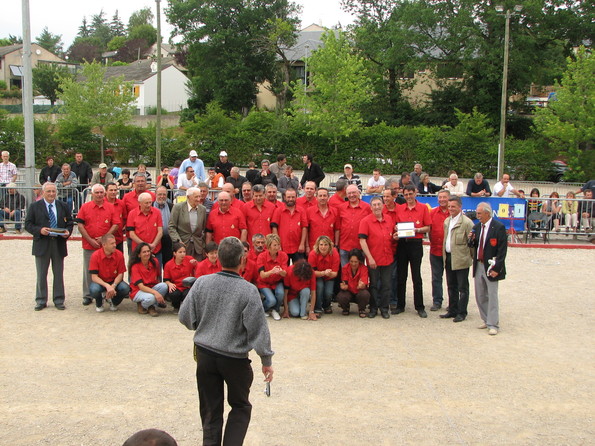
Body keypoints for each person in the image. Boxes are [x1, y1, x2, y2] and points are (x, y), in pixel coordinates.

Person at [178, 236, 274, 446]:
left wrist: (202, 327)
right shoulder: (248, 290)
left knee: (211, 410)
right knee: (240, 406)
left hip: (205, 354)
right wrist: (266, 360)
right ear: (242, 260)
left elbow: (184, 316)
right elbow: (258, 329)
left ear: (219, 258)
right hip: (234, 358)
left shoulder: (202, 283)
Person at [24, 182, 73, 311]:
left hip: (58, 244)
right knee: (41, 274)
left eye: (53, 191)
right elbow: (28, 224)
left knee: (58, 273)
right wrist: (39, 230)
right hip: (42, 243)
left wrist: (67, 232)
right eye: (49, 191)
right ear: (43, 192)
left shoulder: (63, 206)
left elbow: (70, 222)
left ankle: (59, 299)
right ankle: (41, 300)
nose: (51, 194)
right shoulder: (35, 206)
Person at [76, 184, 120, 306]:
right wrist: (90, 240)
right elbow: (80, 225)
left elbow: (116, 224)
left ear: (104, 193)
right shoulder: (85, 207)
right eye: (97, 192)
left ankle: (106, 292)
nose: (99, 195)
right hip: (89, 244)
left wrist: (104, 238)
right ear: (92, 194)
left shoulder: (111, 208)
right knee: (88, 270)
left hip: (106, 245)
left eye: (101, 192)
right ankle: (88, 295)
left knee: (107, 270)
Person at [470, 202, 507, 335]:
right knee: (480, 294)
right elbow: (474, 245)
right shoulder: (477, 227)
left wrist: (497, 267)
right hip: (479, 264)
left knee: (492, 294)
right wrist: (471, 240)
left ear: (487, 213)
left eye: (479, 213)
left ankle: (493, 324)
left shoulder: (498, 227)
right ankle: (485, 319)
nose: (477, 216)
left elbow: (502, 250)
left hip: (491, 265)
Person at [394, 185, 431, 317]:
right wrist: (396, 229)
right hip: (402, 244)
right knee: (401, 276)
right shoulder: (400, 208)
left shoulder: (423, 208)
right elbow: (395, 225)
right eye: (406, 195)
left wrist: (417, 230)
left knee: (416, 276)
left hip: (415, 243)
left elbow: (428, 227)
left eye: (410, 194)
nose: (408, 197)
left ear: (415, 193)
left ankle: (420, 307)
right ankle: (400, 305)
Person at [359, 196, 396, 319]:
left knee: (386, 285)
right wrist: (370, 258)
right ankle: (373, 308)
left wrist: (396, 237)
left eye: (379, 204)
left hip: (388, 258)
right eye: (374, 205)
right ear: (370, 207)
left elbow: (392, 236)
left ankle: (384, 308)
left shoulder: (389, 219)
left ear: (383, 205)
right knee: (373, 285)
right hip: (374, 259)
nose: (376, 207)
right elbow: (362, 241)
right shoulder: (365, 221)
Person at [439, 196, 473, 322]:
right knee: (451, 285)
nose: (450, 209)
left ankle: (462, 312)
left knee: (462, 287)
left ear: (460, 207)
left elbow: (471, 244)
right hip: (448, 257)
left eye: (453, 206)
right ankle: (452, 310)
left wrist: (469, 257)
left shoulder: (467, 223)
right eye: (449, 206)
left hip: (461, 258)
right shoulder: (447, 221)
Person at [89, 234, 130, 312]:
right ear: (104, 245)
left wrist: (113, 286)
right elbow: (94, 277)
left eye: (115, 243)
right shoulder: (95, 256)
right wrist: (107, 286)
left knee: (125, 288)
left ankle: (113, 302)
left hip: (114, 281)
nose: (115, 245)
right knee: (94, 289)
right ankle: (99, 302)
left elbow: (120, 274)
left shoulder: (119, 254)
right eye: (112, 243)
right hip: (100, 282)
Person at [128, 242, 168, 317]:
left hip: (150, 288)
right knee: (151, 298)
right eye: (144, 252)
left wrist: (158, 293)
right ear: (139, 255)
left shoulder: (155, 262)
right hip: (138, 291)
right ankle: (144, 305)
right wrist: (156, 293)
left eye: (148, 251)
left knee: (164, 286)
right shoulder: (135, 267)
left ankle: (152, 305)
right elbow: (141, 287)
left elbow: (158, 278)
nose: (147, 253)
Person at [336, 184, 371, 266]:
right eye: (349, 193)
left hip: (360, 247)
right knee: (345, 273)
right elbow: (338, 227)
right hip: (344, 246)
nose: (352, 195)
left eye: (354, 192)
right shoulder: (341, 208)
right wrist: (337, 244)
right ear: (346, 194)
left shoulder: (367, 207)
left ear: (359, 193)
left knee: (360, 273)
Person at [168, 187, 207, 260]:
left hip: (197, 248)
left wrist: (203, 245)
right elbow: (171, 227)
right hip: (182, 247)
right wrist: (178, 241)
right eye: (196, 197)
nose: (199, 199)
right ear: (188, 197)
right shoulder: (178, 207)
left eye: (199, 196)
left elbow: (203, 229)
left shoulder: (203, 209)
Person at [127, 192, 164, 266]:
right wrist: (144, 246)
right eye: (146, 203)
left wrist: (153, 244)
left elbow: (160, 231)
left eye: (150, 202)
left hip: (155, 250)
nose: (148, 205)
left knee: (157, 275)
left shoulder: (157, 212)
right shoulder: (132, 214)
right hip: (138, 251)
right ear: (139, 203)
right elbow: (131, 234)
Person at [271, 188, 308, 263]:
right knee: (283, 271)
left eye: (293, 197)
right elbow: (274, 228)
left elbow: (304, 228)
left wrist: (302, 244)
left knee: (299, 271)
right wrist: (277, 245)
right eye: (288, 197)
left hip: (297, 246)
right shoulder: (278, 211)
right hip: (283, 246)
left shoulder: (301, 211)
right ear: (284, 197)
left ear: (296, 197)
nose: (290, 199)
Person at [428, 190, 450, 312]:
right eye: (440, 197)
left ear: (449, 198)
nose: (442, 199)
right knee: (436, 277)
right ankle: (437, 301)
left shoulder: (453, 212)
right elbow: (429, 229)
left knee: (451, 278)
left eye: (444, 197)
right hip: (435, 250)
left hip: (449, 251)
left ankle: (452, 302)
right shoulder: (432, 213)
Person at [256, 233, 288, 320]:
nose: (277, 247)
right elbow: (262, 275)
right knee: (271, 300)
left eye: (278, 244)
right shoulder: (261, 256)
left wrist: (280, 271)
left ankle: (275, 310)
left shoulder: (283, 255)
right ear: (269, 246)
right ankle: (263, 309)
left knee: (280, 293)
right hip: (264, 283)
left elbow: (285, 273)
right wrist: (272, 271)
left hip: (277, 282)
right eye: (275, 245)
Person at [308, 235, 340, 315]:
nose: (323, 247)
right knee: (320, 287)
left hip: (330, 276)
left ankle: (327, 305)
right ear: (317, 245)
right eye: (321, 244)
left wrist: (328, 273)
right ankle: (317, 308)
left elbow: (335, 273)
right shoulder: (312, 254)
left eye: (326, 245)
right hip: (317, 276)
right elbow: (312, 273)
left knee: (328, 293)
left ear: (330, 246)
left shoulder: (335, 253)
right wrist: (323, 273)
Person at [164, 242, 197, 313]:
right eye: (180, 252)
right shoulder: (168, 264)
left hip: (187, 286)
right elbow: (166, 279)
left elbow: (199, 268)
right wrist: (169, 284)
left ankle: (187, 308)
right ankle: (176, 306)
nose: (183, 254)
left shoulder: (189, 259)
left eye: (184, 252)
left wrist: (196, 264)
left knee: (188, 294)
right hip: (176, 286)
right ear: (174, 253)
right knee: (174, 293)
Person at [336, 249, 370, 318]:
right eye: (351, 261)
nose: (353, 264)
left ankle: (362, 309)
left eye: (356, 262)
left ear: (359, 261)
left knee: (365, 294)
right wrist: (343, 286)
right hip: (349, 292)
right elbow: (344, 282)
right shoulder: (345, 268)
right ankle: (346, 308)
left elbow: (364, 283)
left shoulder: (364, 268)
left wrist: (362, 285)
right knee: (341, 296)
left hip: (359, 292)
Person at [153, 186, 174, 267]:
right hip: (154, 240)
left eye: (164, 194)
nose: (162, 196)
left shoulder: (171, 206)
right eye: (160, 194)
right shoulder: (150, 206)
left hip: (168, 240)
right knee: (155, 265)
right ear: (155, 195)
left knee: (168, 264)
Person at [105, 182, 127, 252]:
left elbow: (124, 218)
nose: (113, 192)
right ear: (106, 191)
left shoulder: (121, 204)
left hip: (118, 239)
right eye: (111, 190)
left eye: (115, 190)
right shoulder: (102, 203)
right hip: (104, 239)